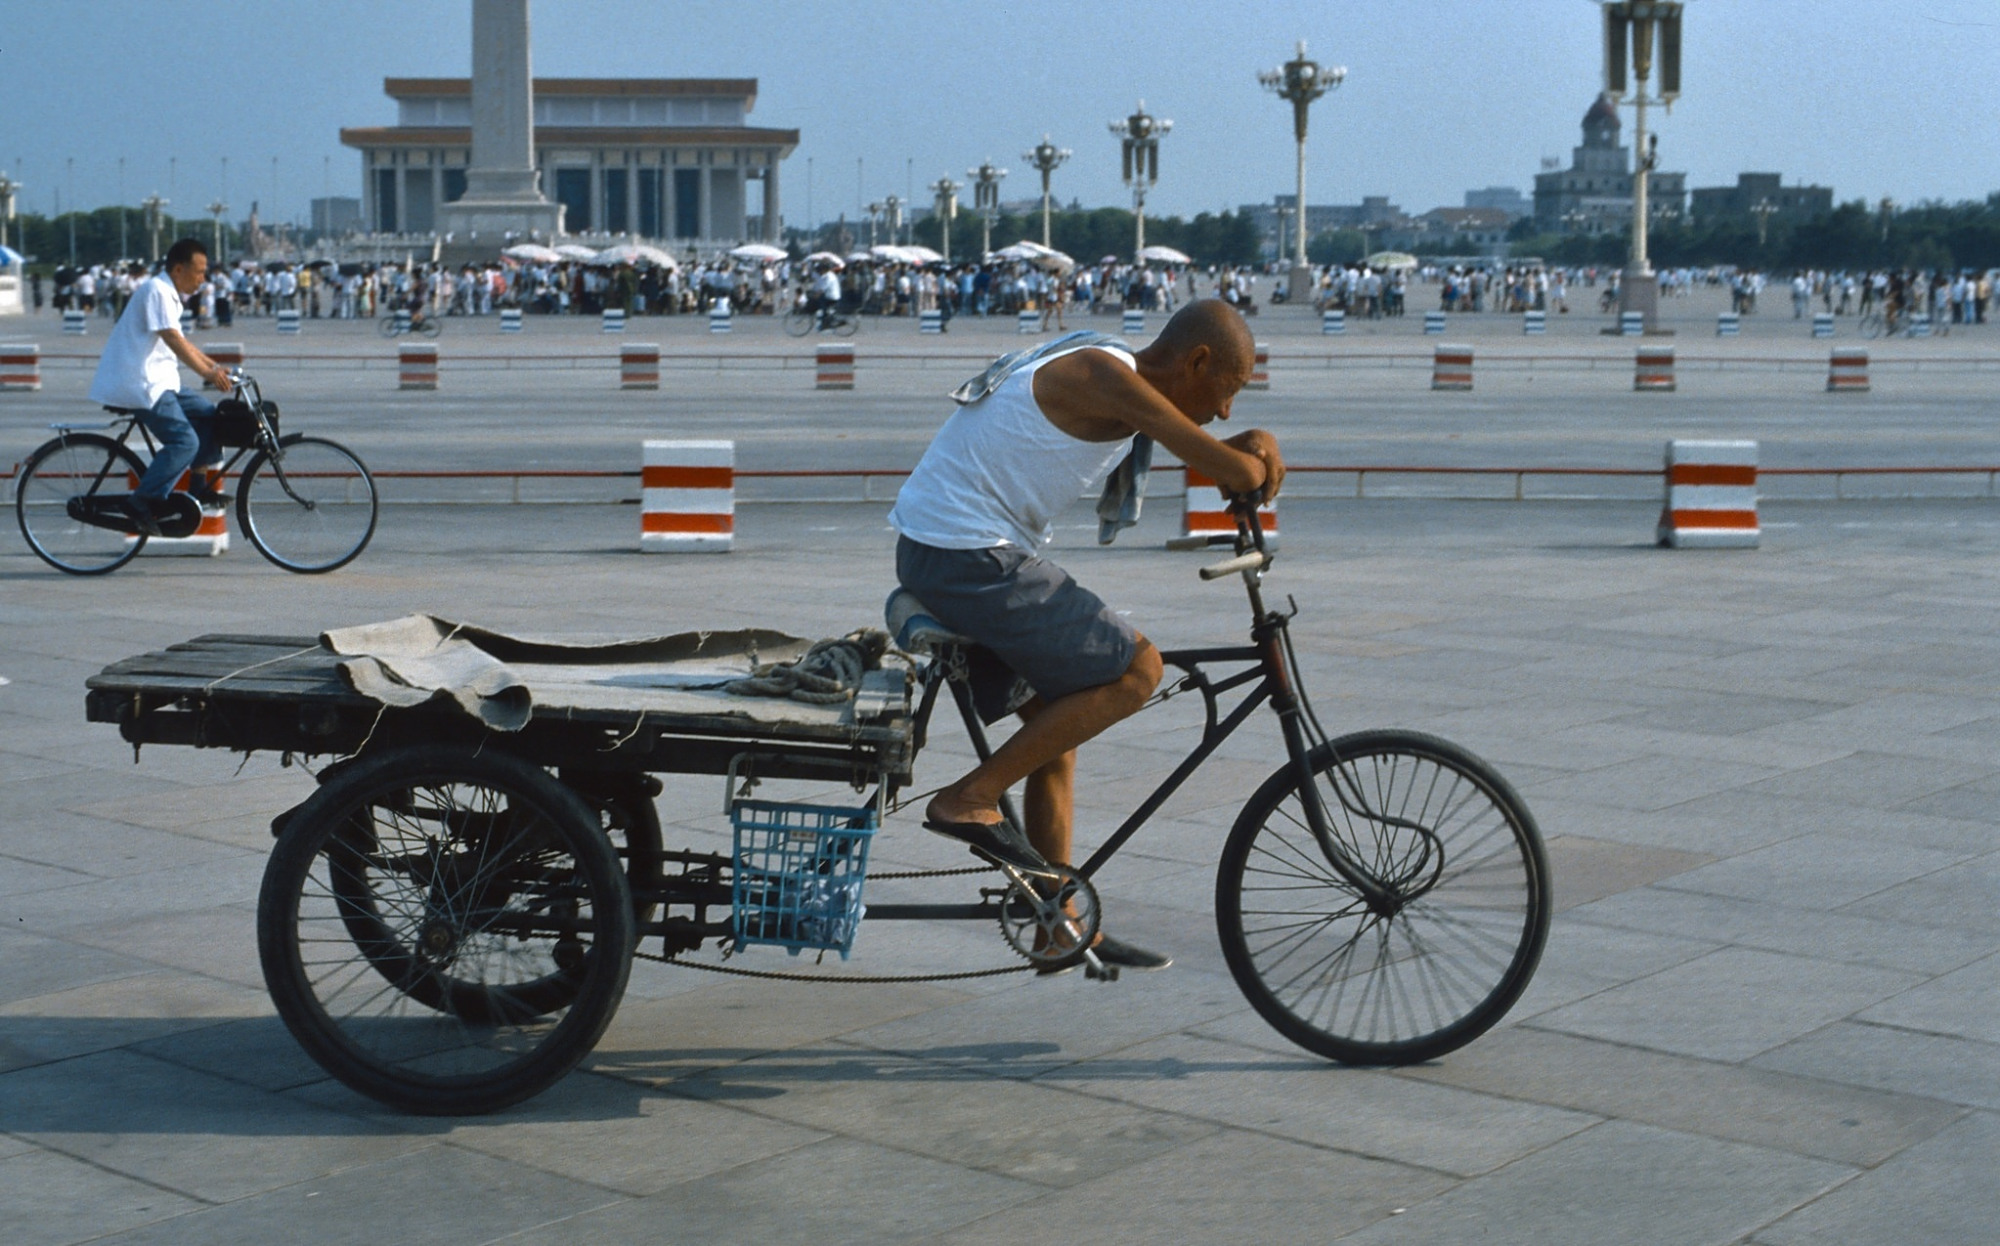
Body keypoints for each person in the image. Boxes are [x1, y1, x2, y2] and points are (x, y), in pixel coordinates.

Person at [889, 299, 1284, 972]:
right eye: (1228, 390)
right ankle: (968, 800)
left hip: (950, 550)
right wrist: (1255, 452)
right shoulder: (1106, 374)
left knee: (1057, 728)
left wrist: (1245, 442)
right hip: (965, 555)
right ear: (1196, 362)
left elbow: (1215, 447)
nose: (1223, 411)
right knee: (1138, 670)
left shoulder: (1123, 379)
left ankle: (1056, 926)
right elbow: (1228, 465)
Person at [87, 238, 234, 536]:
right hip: (141, 384)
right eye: (199, 271)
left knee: (208, 414)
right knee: (185, 442)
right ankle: (142, 500)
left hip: (162, 381)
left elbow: (182, 341)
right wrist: (209, 371)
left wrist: (215, 367)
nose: (203, 278)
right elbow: (173, 340)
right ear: (179, 269)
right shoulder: (156, 291)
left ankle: (198, 487)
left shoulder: (169, 294)